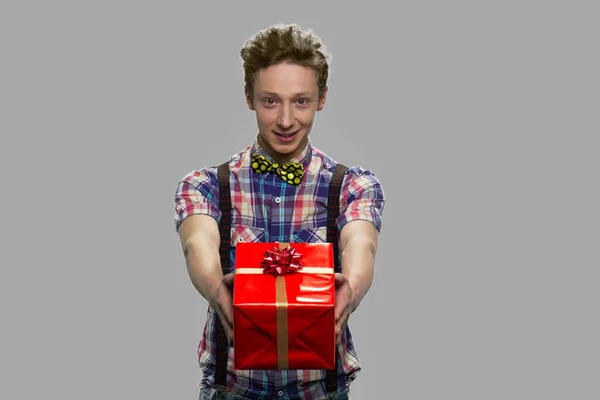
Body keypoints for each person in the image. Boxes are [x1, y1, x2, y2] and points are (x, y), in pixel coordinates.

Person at [174, 23, 385, 400]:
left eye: (301, 101)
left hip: (321, 391)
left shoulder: (353, 186)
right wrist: (214, 288)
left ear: (321, 99)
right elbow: (197, 242)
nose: (286, 120)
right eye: (270, 101)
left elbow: (361, 243)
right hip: (232, 390)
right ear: (249, 97)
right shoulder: (205, 185)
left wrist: (350, 288)